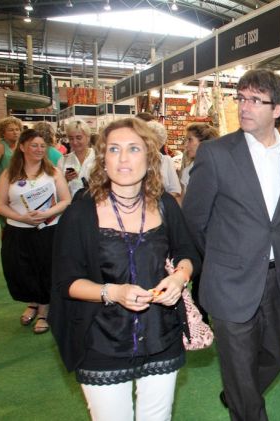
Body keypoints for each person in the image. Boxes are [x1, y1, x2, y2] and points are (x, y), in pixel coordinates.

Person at [49, 118, 200, 420]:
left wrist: (179, 277)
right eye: (114, 149)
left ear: (149, 157)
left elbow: (187, 252)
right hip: (100, 338)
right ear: (102, 159)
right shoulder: (81, 211)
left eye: (133, 148)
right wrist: (113, 292)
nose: (123, 158)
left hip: (161, 334)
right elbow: (65, 281)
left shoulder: (166, 205)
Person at [182, 69, 280, 420]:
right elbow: (194, 218)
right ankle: (242, 399)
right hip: (230, 281)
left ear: (278, 109)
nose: (244, 106)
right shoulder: (217, 153)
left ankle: (238, 391)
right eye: (241, 98)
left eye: (255, 100)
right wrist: (222, 259)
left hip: (278, 279)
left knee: (276, 355)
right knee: (241, 377)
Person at [0, 129, 71, 334]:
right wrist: (21, 218)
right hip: (17, 231)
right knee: (21, 269)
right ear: (22, 147)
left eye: (42, 146)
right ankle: (32, 303)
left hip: (47, 232)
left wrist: (47, 214)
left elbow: (66, 200)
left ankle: (44, 310)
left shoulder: (53, 172)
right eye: (34, 145)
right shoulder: (9, 174)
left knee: (45, 270)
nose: (38, 149)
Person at [58, 119, 96, 198]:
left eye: (78, 138)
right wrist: (65, 179)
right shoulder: (63, 160)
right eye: (71, 138)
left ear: (88, 137)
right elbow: (57, 190)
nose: (74, 142)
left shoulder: (98, 158)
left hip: (96, 205)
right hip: (71, 207)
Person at [146, 120, 182, 201]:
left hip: (160, 208)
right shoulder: (136, 160)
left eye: (154, 141)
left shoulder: (166, 160)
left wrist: (157, 201)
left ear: (160, 143)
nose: (149, 144)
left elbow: (175, 190)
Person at [180, 122, 218, 197]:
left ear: (204, 143)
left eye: (190, 140)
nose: (186, 145)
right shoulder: (188, 170)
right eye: (186, 140)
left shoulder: (218, 169)